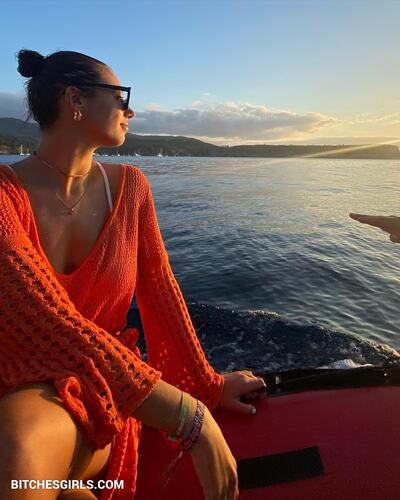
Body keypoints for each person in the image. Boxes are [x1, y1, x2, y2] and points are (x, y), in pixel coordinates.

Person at [0, 49, 267, 500]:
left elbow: (160, 291)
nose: (130, 111)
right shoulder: (5, 198)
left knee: (20, 445)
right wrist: (189, 418)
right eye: (121, 96)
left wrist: (205, 386)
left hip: (101, 390)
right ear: (75, 100)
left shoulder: (131, 188)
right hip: (20, 379)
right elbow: (49, 324)